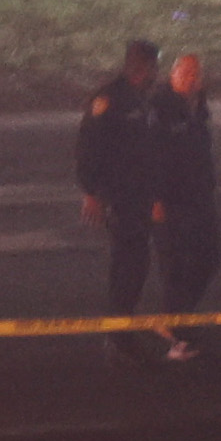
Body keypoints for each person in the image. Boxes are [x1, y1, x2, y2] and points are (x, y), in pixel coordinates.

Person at [74, 40, 163, 320]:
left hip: (140, 195)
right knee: (128, 263)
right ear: (144, 66)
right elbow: (87, 148)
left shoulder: (141, 97)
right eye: (154, 66)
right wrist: (91, 193)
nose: (157, 73)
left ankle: (123, 323)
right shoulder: (110, 100)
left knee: (137, 262)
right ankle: (119, 332)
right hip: (120, 198)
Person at [149, 51, 221, 335]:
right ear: (172, 76)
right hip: (170, 202)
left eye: (196, 74)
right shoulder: (158, 109)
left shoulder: (199, 109)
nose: (191, 79)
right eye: (185, 73)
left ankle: (175, 318)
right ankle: (175, 332)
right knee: (174, 266)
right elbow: (149, 157)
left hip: (199, 198)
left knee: (211, 255)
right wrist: (154, 199)